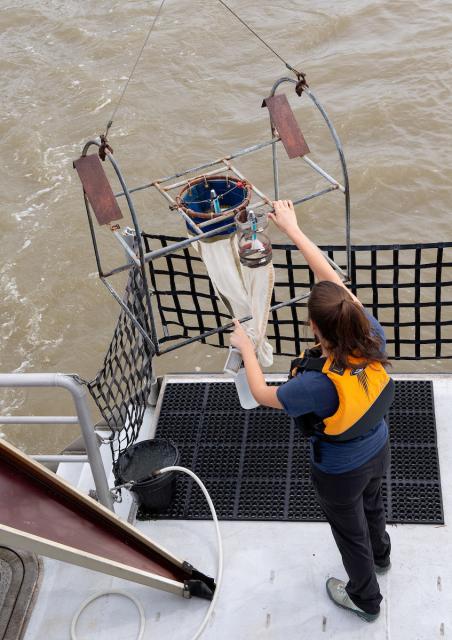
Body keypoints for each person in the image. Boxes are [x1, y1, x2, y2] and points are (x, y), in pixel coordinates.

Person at [230, 199, 393, 623]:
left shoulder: (317, 385)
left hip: (340, 471)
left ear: (315, 329)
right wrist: (293, 229)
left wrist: (246, 347)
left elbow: (264, 394)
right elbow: (332, 281)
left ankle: (366, 599)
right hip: (378, 446)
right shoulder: (369, 334)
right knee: (373, 507)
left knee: (349, 533)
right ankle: (382, 557)